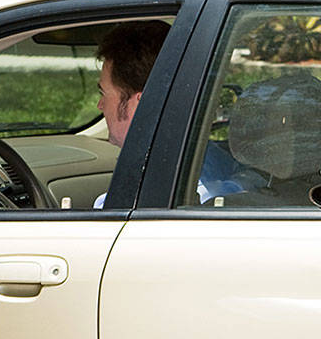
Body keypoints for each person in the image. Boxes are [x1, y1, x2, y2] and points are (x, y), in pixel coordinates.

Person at [93, 20, 247, 206]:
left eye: (104, 93)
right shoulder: (216, 161)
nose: (100, 105)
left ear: (143, 104)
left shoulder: (143, 198)